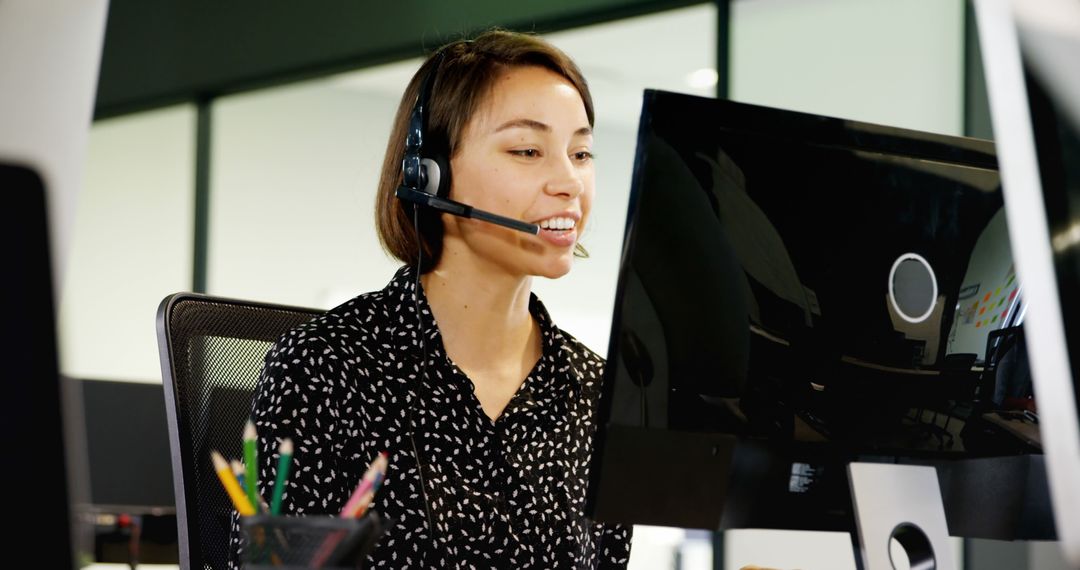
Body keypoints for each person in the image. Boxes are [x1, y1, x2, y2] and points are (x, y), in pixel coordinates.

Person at [228, 29, 633, 568]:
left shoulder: (596, 395)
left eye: (581, 152)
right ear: (430, 176)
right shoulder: (328, 368)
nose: (570, 182)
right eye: (527, 150)